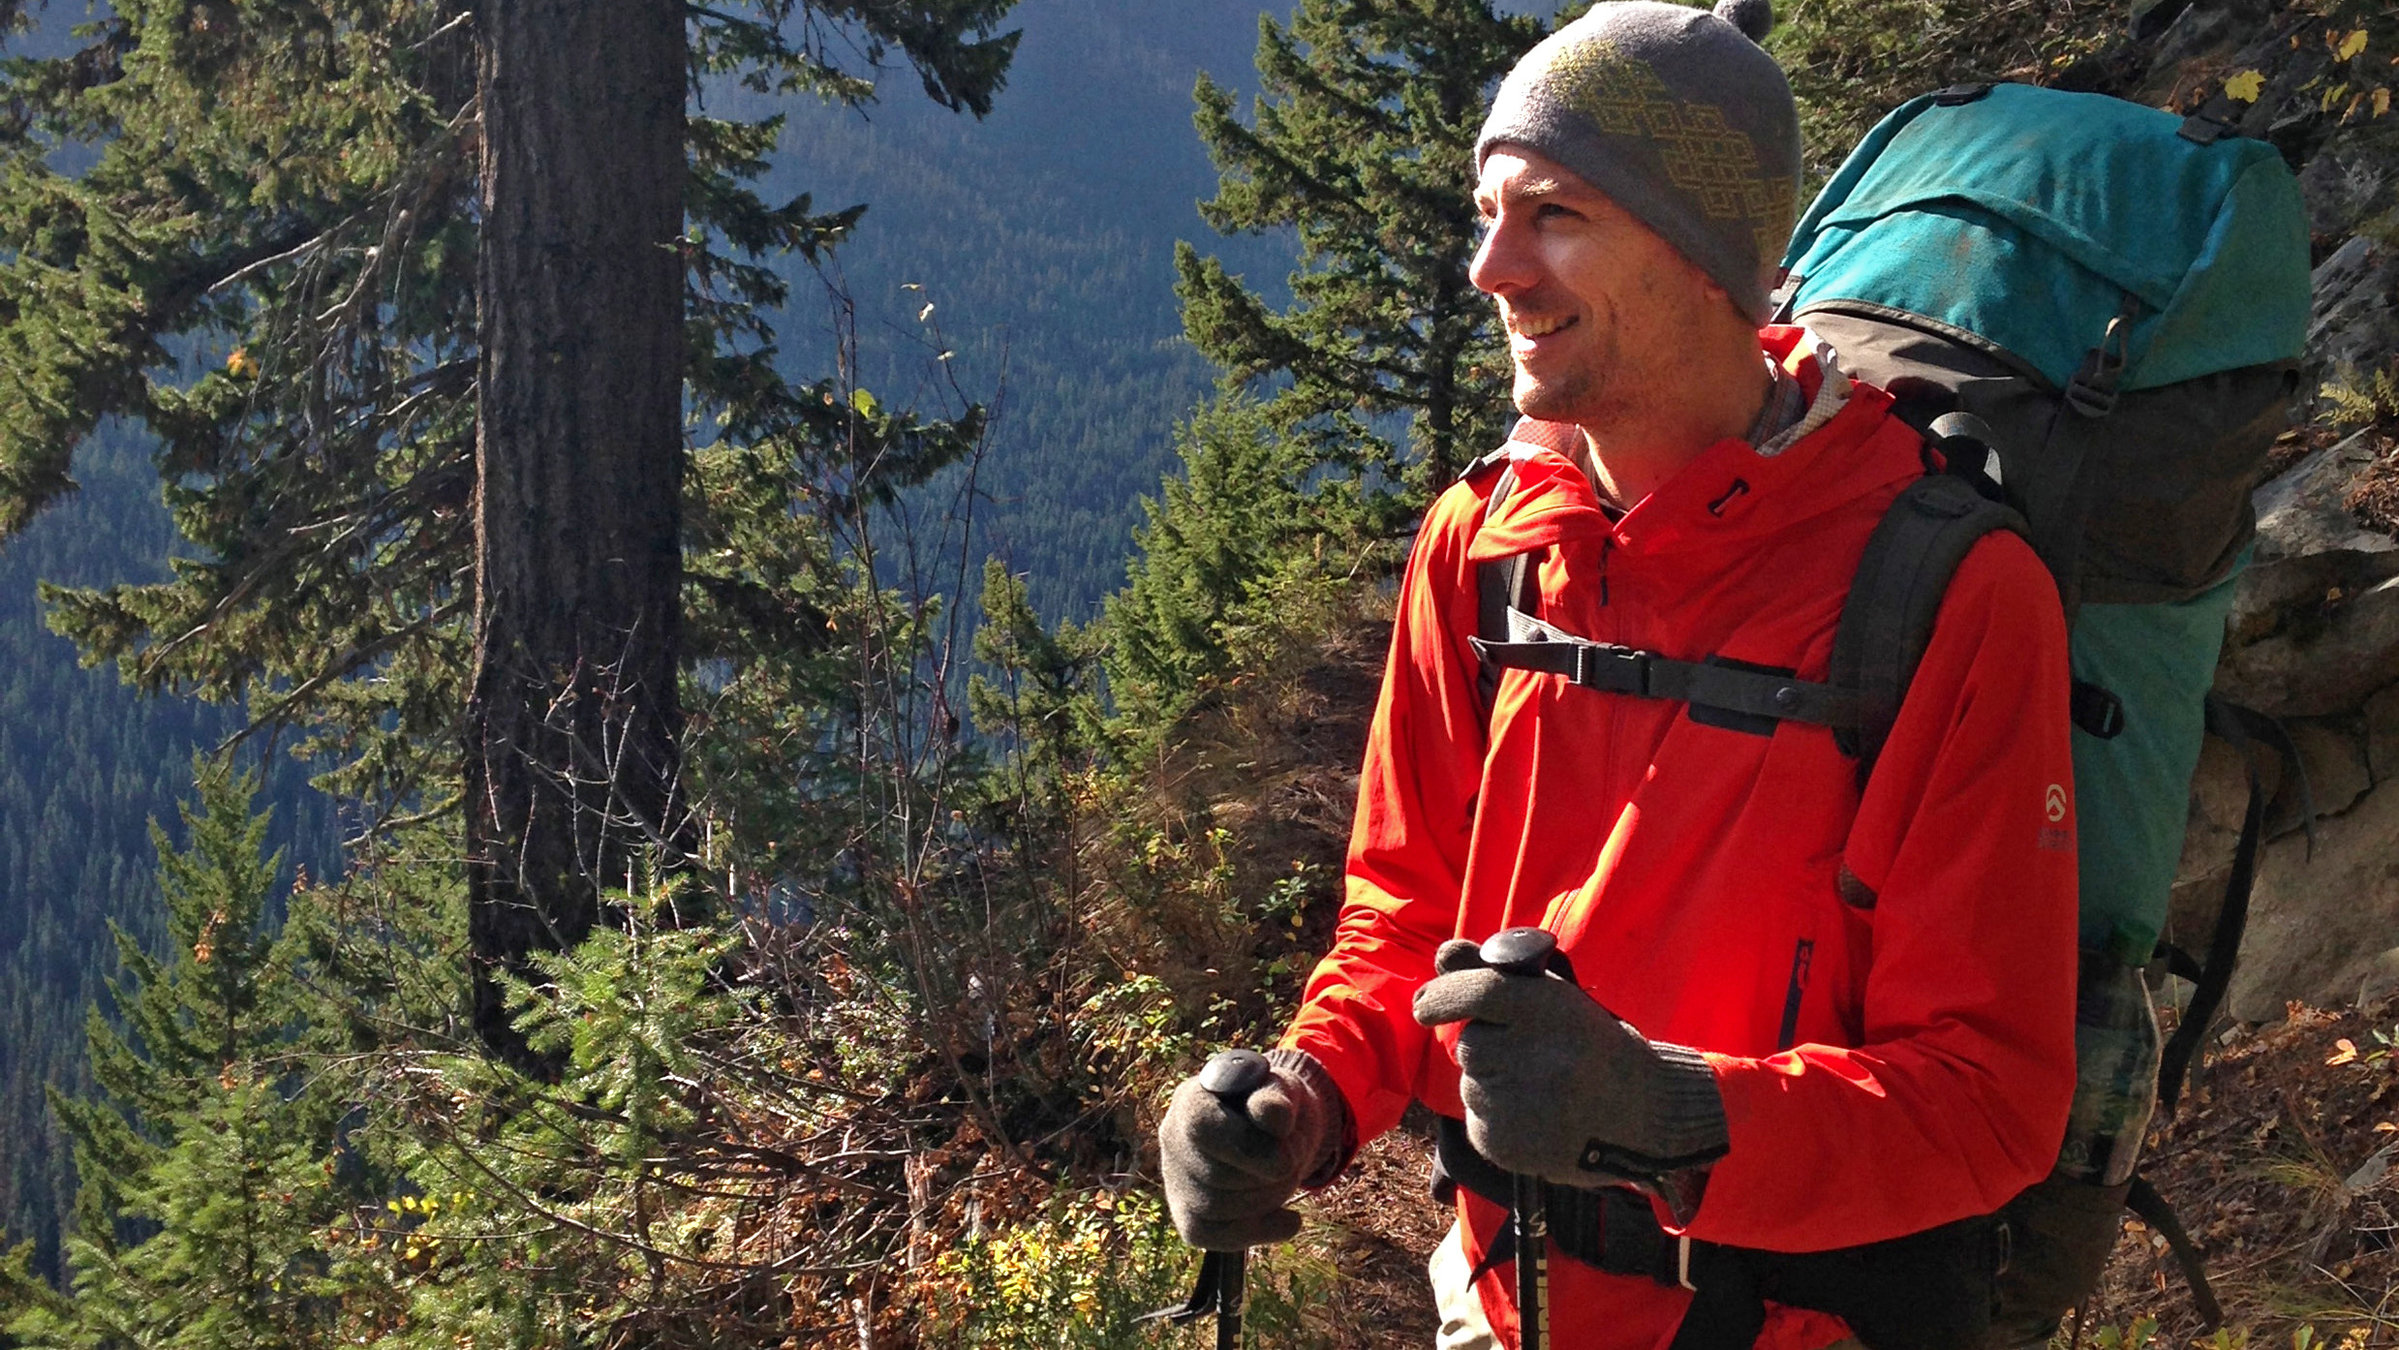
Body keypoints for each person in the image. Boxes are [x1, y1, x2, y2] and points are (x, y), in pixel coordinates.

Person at [1156, 2, 2081, 1348]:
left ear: (1703, 252)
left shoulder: (1947, 592)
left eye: (1557, 214)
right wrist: (1304, 1097)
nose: (1491, 267)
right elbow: (1403, 925)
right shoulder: (1482, 549)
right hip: (1498, 1300)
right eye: (1488, 210)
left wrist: (1675, 1116)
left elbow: (1988, 1097)